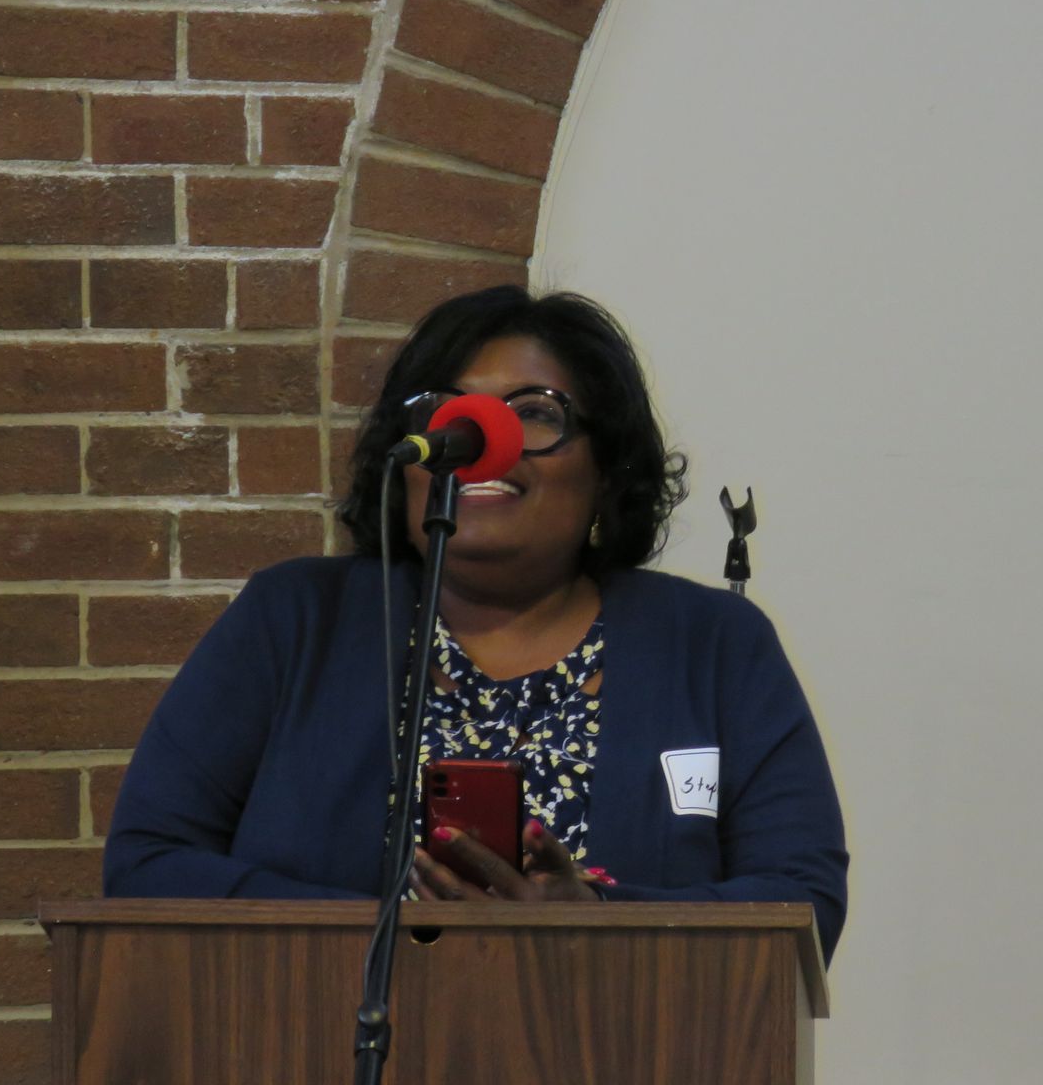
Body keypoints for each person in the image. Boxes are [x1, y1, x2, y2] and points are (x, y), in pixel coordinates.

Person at [103, 286, 848, 959]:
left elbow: (803, 904)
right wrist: (396, 939)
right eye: (448, 416)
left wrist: (594, 919)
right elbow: (147, 863)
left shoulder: (714, 645)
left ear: (609, 468)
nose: (482, 441)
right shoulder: (293, 619)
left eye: (533, 414)